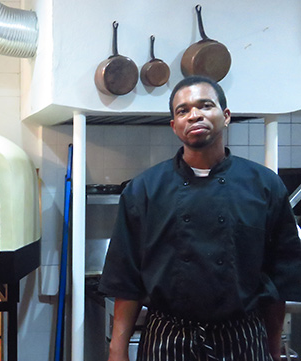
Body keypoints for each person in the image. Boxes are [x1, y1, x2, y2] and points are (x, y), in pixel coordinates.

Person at [99, 75, 301, 361]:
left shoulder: (264, 185)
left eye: (205, 106)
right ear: (174, 126)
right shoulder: (144, 189)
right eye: (183, 111)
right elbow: (126, 278)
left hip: (242, 335)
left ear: (226, 116)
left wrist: (272, 349)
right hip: (167, 337)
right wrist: (116, 352)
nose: (194, 115)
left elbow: (278, 278)